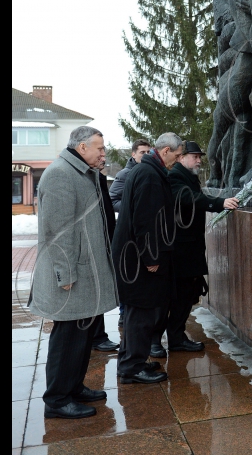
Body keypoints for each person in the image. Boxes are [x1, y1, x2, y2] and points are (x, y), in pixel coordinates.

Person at [28, 126, 118, 419]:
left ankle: (74, 387)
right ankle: (56, 399)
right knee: (67, 339)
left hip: (86, 272)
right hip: (70, 277)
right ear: (81, 148)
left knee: (82, 338)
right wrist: (64, 275)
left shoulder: (83, 173)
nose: (104, 153)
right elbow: (58, 233)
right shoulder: (60, 175)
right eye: (100, 148)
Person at [150, 141, 239, 357]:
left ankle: (177, 337)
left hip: (190, 248)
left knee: (185, 296)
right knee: (172, 297)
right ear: (181, 157)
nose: (199, 160)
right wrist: (219, 203)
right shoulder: (175, 176)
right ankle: (155, 340)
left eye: (200, 157)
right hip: (180, 249)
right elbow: (188, 198)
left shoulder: (187, 175)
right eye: (195, 156)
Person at [110, 132, 184, 384]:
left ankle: (132, 361)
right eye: (177, 154)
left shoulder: (147, 170)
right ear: (165, 152)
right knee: (140, 314)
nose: (179, 158)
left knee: (136, 313)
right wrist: (151, 257)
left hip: (133, 256)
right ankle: (132, 368)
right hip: (139, 260)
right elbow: (146, 221)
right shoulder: (150, 175)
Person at [108, 138, 151, 326]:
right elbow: (112, 200)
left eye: (148, 152)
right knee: (128, 274)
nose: (146, 155)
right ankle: (124, 314)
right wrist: (131, 210)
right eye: (142, 152)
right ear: (133, 154)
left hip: (143, 231)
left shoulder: (150, 172)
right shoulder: (125, 174)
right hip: (128, 233)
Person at [88, 153, 122, 352]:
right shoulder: (88, 179)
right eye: (99, 152)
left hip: (105, 240)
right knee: (94, 291)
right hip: (95, 243)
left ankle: (98, 335)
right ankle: (96, 337)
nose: (103, 157)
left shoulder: (98, 177)